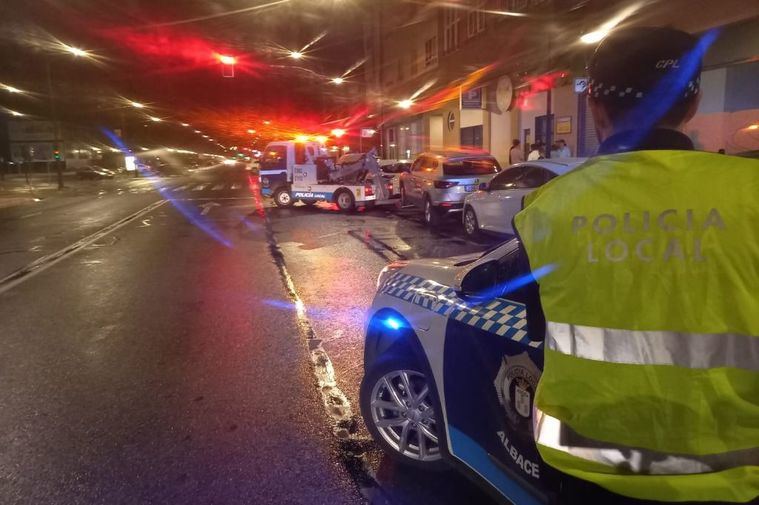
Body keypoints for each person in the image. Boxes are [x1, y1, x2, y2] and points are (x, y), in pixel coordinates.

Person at [511, 27, 759, 503]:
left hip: (590, 476)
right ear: (693, 103)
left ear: (595, 105)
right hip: (738, 481)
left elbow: (533, 320)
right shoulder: (751, 193)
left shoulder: (545, 209)